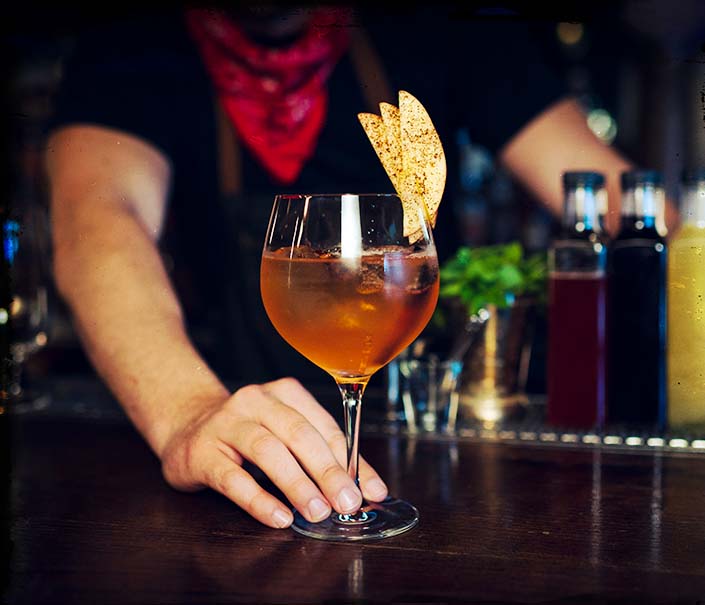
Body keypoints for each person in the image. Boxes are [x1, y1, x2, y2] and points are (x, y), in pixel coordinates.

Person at [42, 5, 677, 529]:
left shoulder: (445, 22)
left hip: (423, 434)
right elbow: (96, 224)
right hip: (231, 434)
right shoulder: (132, 36)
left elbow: (624, 199)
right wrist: (185, 410)